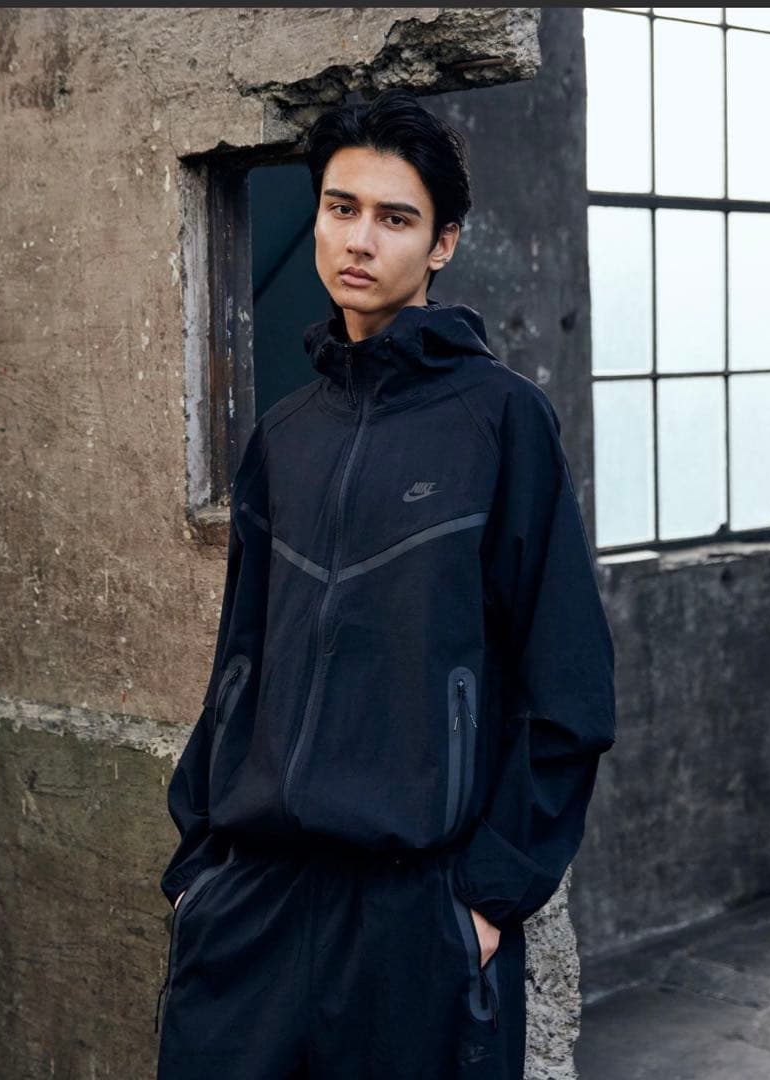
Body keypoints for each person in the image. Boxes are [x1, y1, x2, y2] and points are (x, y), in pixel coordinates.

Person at [155, 87, 616, 1080]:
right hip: (255, 905)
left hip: (418, 918)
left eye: (394, 218)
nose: (358, 240)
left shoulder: (501, 421)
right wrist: (198, 869)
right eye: (340, 208)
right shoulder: (283, 435)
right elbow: (239, 664)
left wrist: (486, 899)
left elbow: (569, 685)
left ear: (442, 243)